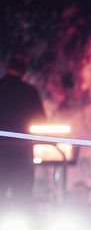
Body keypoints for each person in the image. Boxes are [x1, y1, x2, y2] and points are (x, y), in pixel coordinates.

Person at [0, 54, 47, 203]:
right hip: (21, 151)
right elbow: (41, 119)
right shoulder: (30, 91)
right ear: (24, 71)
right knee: (22, 196)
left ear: (7, 67)